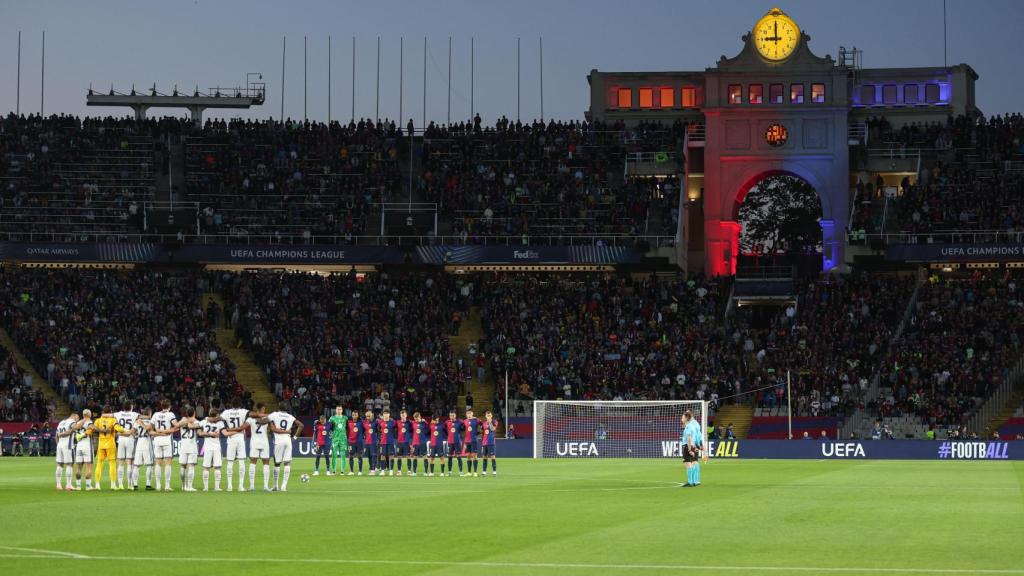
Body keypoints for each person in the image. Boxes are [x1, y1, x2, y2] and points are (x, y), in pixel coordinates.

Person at [268, 408, 302, 491]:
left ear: (279, 408)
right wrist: (295, 437)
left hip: (278, 441)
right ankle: (284, 486)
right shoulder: (290, 416)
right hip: (288, 441)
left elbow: (267, 421)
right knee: (287, 463)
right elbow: (301, 425)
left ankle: (275, 486)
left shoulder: (275, 414)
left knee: (277, 463)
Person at [219, 399, 250, 491]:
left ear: (231, 404)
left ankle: (229, 486)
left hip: (231, 437)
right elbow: (251, 414)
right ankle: (240, 486)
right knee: (241, 461)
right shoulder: (243, 411)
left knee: (230, 462)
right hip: (240, 437)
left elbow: (219, 418)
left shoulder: (226, 412)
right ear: (240, 404)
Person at [240, 403, 272, 492]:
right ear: (262, 409)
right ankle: (265, 487)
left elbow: (243, 427)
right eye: (264, 408)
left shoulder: (250, 418)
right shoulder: (267, 418)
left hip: (254, 442)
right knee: (266, 463)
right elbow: (271, 429)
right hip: (264, 442)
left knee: (253, 462)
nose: (264, 410)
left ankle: (251, 486)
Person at [150, 399, 177, 491]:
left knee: (158, 463)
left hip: (157, 440)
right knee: (168, 463)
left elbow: (151, 428)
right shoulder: (170, 414)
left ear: (161, 406)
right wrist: (168, 431)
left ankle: (158, 485)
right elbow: (176, 425)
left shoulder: (155, 414)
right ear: (169, 407)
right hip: (166, 439)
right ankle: (167, 485)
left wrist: (159, 431)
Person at [92, 406, 122, 490]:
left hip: (101, 444)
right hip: (110, 444)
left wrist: (101, 430)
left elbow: (93, 428)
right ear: (111, 412)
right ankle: (113, 485)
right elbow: (117, 428)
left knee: (99, 464)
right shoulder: (113, 420)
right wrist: (124, 430)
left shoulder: (98, 420)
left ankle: (97, 485)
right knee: (112, 464)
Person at [113, 401, 139, 490]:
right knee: (129, 462)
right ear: (131, 406)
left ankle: (120, 484)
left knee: (120, 462)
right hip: (130, 439)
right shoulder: (134, 414)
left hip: (121, 439)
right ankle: (129, 484)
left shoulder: (118, 414)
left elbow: (108, 415)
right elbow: (144, 417)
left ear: (123, 407)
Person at [199, 409, 226, 491]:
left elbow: (198, 430)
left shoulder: (204, 421)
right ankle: (217, 487)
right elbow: (224, 432)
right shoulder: (220, 423)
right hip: (216, 447)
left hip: (207, 447)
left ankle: (205, 488)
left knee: (206, 467)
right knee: (217, 467)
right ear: (217, 415)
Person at [175, 407, 201, 492]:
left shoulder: (183, 421)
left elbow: (177, 425)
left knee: (183, 466)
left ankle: (183, 486)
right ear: (194, 413)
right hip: (192, 445)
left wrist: (185, 421)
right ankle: (189, 486)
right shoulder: (197, 422)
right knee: (191, 466)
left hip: (183, 445)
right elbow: (198, 431)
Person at [131, 408, 155, 491]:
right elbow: (150, 431)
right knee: (149, 464)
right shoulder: (151, 421)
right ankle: (148, 484)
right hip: (147, 442)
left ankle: (135, 485)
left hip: (139, 442)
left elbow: (133, 432)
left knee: (136, 465)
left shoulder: (137, 421)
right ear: (149, 413)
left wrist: (136, 436)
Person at [54, 411, 79, 491]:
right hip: (68, 445)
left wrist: (58, 444)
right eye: (77, 418)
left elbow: (56, 435)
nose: (77, 420)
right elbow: (71, 430)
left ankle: (58, 485)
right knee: (69, 464)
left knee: (59, 465)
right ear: (74, 416)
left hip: (59, 445)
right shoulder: (72, 422)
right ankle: (68, 485)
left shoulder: (61, 422)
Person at [73, 409, 95, 490]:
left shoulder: (78, 422)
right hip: (87, 445)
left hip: (79, 446)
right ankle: (88, 486)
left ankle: (78, 486)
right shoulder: (89, 422)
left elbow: (74, 429)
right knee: (88, 466)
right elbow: (91, 429)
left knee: (78, 467)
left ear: (83, 415)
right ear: (89, 414)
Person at [328, 405, 349, 477]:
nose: (339, 410)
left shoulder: (345, 418)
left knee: (343, 455)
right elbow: (329, 428)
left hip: (343, 439)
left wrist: (347, 437)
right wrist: (331, 435)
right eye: (338, 409)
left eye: (340, 409)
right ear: (336, 410)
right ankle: (333, 471)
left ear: (342, 410)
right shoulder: (332, 418)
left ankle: (342, 471)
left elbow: (347, 428)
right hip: (335, 439)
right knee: (334, 455)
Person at [377, 409, 397, 476]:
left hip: (390, 442)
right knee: (382, 456)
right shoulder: (380, 422)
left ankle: (391, 470)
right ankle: (382, 470)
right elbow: (378, 430)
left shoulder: (393, 422)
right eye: (384, 414)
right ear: (383, 415)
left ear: (389, 415)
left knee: (391, 456)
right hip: (383, 442)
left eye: (387, 414)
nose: (385, 415)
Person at [463, 409, 481, 477]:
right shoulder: (465, 421)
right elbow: (465, 431)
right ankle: (469, 472)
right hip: (467, 441)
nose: (469, 415)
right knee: (468, 456)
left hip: (474, 441)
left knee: (474, 456)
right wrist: (465, 442)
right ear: (466, 415)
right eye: (467, 413)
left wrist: (479, 432)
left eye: (470, 413)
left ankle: (475, 472)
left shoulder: (476, 420)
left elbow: (482, 425)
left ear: (472, 414)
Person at [446, 410, 464, 476]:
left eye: (453, 415)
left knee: (458, 457)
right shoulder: (447, 422)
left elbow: (464, 427)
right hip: (450, 442)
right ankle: (450, 472)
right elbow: (444, 429)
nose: (452, 417)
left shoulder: (459, 422)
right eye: (450, 415)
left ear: (455, 415)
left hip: (457, 442)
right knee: (449, 457)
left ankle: (461, 472)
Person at [410, 412, 429, 476]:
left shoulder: (424, 423)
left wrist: (425, 421)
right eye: (415, 419)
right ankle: (414, 472)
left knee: (425, 456)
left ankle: (425, 472)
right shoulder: (413, 423)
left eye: (417, 418)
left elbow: (429, 428)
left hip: (422, 442)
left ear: (420, 417)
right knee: (415, 457)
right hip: (415, 443)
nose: (416, 420)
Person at [481, 411, 498, 476]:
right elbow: (483, 434)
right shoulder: (484, 423)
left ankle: (494, 471)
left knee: (492, 456)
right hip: (484, 443)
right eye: (487, 415)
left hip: (491, 442)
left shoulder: (494, 422)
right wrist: (482, 443)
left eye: (489, 415)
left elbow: (493, 429)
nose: (488, 416)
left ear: (491, 416)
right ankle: (484, 471)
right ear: (485, 416)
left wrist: (489, 422)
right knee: (484, 457)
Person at [396, 409, 412, 475]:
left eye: (404, 415)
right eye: (402, 415)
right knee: (399, 457)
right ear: (400, 415)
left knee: (408, 456)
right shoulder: (397, 422)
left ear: (406, 415)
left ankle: (409, 471)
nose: (403, 416)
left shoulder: (409, 422)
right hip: (399, 442)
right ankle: (399, 471)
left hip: (407, 442)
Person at [347, 411, 363, 475]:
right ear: (352, 415)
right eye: (353, 415)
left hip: (359, 442)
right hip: (351, 442)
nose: (354, 416)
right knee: (351, 456)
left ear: (358, 415)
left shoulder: (361, 422)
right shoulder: (348, 422)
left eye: (355, 415)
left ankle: (360, 471)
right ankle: (351, 471)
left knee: (360, 456)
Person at [362, 410, 377, 475]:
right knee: (369, 456)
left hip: (373, 442)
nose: (368, 417)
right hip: (367, 442)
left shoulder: (376, 422)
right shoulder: (364, 423)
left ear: (372, 416)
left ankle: (373, 469)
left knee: (373, 455)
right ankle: (371, 468)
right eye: (367, 416)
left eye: (369, 416)